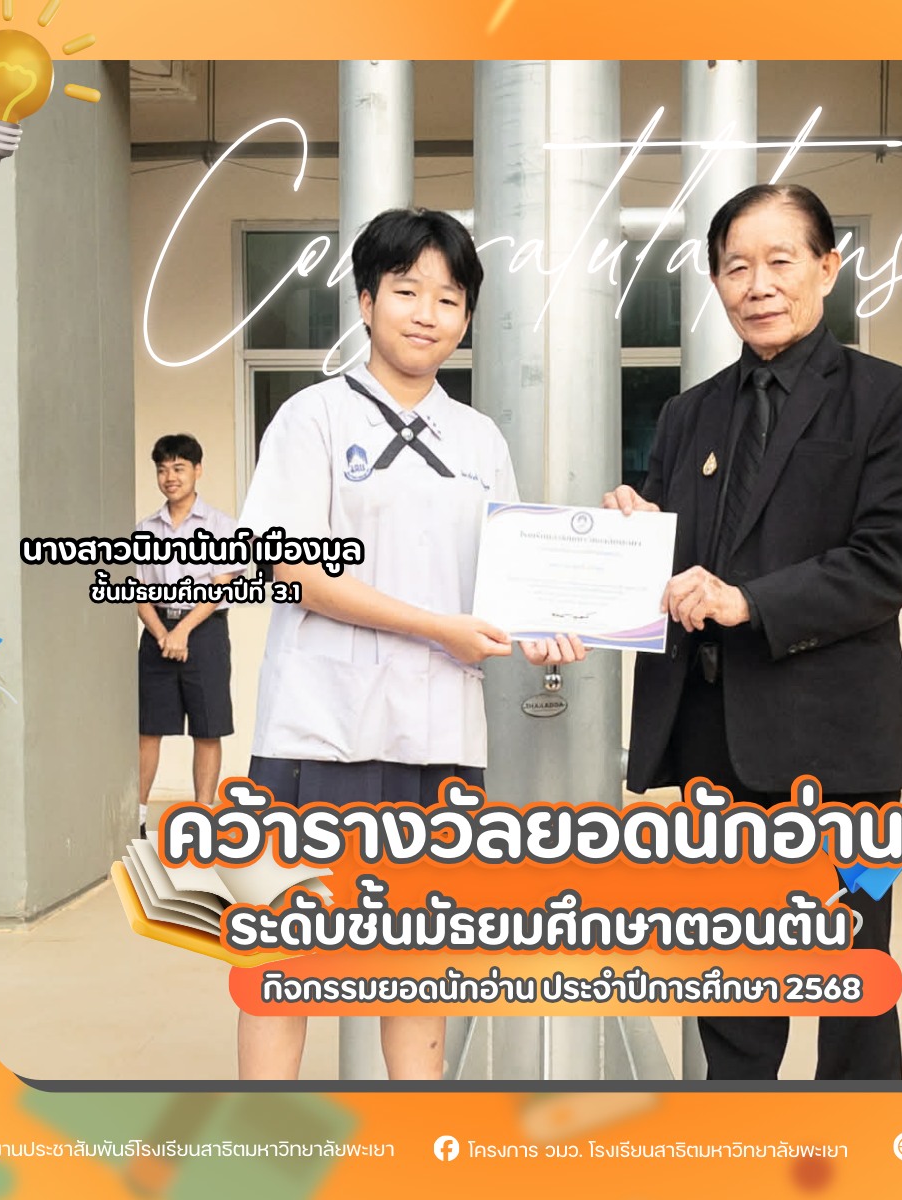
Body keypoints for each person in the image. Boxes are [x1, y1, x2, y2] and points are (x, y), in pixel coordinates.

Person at [604, 183, 902, 1080]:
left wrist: (748, 602)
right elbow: (680, 567)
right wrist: (635, 536)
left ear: (827, 268)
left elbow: (886, 563)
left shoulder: (890, 399)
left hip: (834, 744)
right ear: (716, 282)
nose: (757, 285)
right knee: (733, 987)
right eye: (735, 267)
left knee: (849, 981)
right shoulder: (688, 413)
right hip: (713, 744)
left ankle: (855, 1144)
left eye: (779, 261)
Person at [236, 207, 583, 1081]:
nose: (427, 313)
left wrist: (539, 629)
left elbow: (504, 580)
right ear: (365, 301)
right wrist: (438, 627)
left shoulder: (480, 440)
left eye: (449, 297)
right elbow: (291, 570)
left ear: (466, 317)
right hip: (320, 731)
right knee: (286, 964)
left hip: (440, 739)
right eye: (406, 291)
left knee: (417, 964)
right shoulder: (310, 419)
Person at [136, 434, 239, 836]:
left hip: (205, 632)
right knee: (147, 728)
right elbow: (139, 593)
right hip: (158, 633)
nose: (170, 477)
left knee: (207, 727)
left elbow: (220, 587)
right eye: (162, 469)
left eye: (178, 468)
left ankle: (202, 821)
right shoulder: (145, 529)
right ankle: (137, 817)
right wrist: (163, 634)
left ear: (198, 470)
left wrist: (182, 631)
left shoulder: (222, 526)